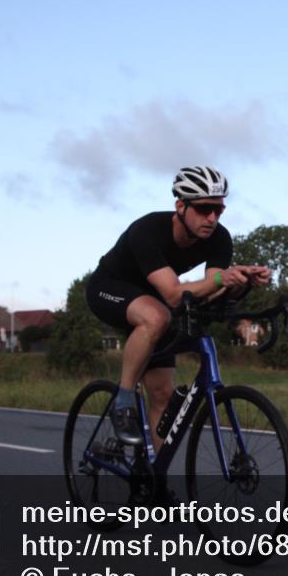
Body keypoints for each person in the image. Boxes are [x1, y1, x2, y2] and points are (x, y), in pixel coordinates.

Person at [85, 166, 271, 451]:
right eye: (204, 209)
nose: (212, 218)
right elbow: (173, 295)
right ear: (180, 206)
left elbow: (211, 291)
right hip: (109, 287)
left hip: (153, 297)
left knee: (162, 394)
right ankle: (123, 401)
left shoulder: (219, 238)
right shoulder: (147, 230)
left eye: (218, 210)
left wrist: (239, 281)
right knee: (157, 316)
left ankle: (155, 474)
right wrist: (221, 278)